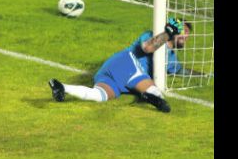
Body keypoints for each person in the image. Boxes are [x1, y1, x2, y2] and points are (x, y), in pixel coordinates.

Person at [48, 17, 193, 113]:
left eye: (188, 34)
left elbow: (182, 71)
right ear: (174, 29)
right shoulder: (152, 35)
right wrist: (166, 34)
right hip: (127, 63)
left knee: (99, 95)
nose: (186, 35)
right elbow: (147, 48)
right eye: (184, 30)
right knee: (158, 95)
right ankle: (148, 96)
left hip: (111, 72)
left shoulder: (172, 59)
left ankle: (62, 87)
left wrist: (207, 74)